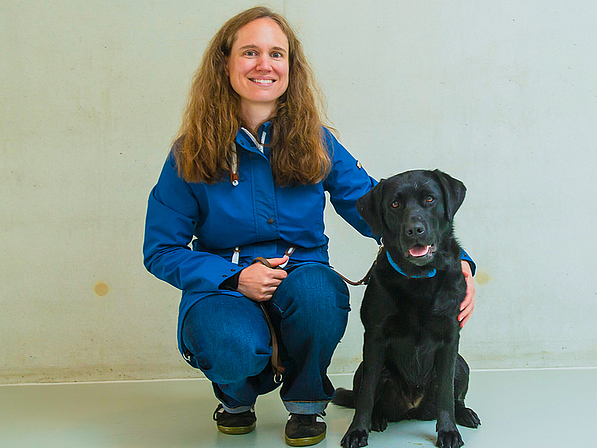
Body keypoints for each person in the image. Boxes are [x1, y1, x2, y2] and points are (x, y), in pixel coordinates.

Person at [143, 6, 476, 447]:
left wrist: (458, 264)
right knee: (224, 338)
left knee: (321, 296)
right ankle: (236, 398)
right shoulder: (190, 153)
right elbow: (160, 250)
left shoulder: (316, 141)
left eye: (276, 54)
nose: (264, 64)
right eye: (250, 52)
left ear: (290, 68)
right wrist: (233, 277)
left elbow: (377, 208)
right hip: (225, 284)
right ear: (224, 64)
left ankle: (305, 405)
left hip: (303, 280)